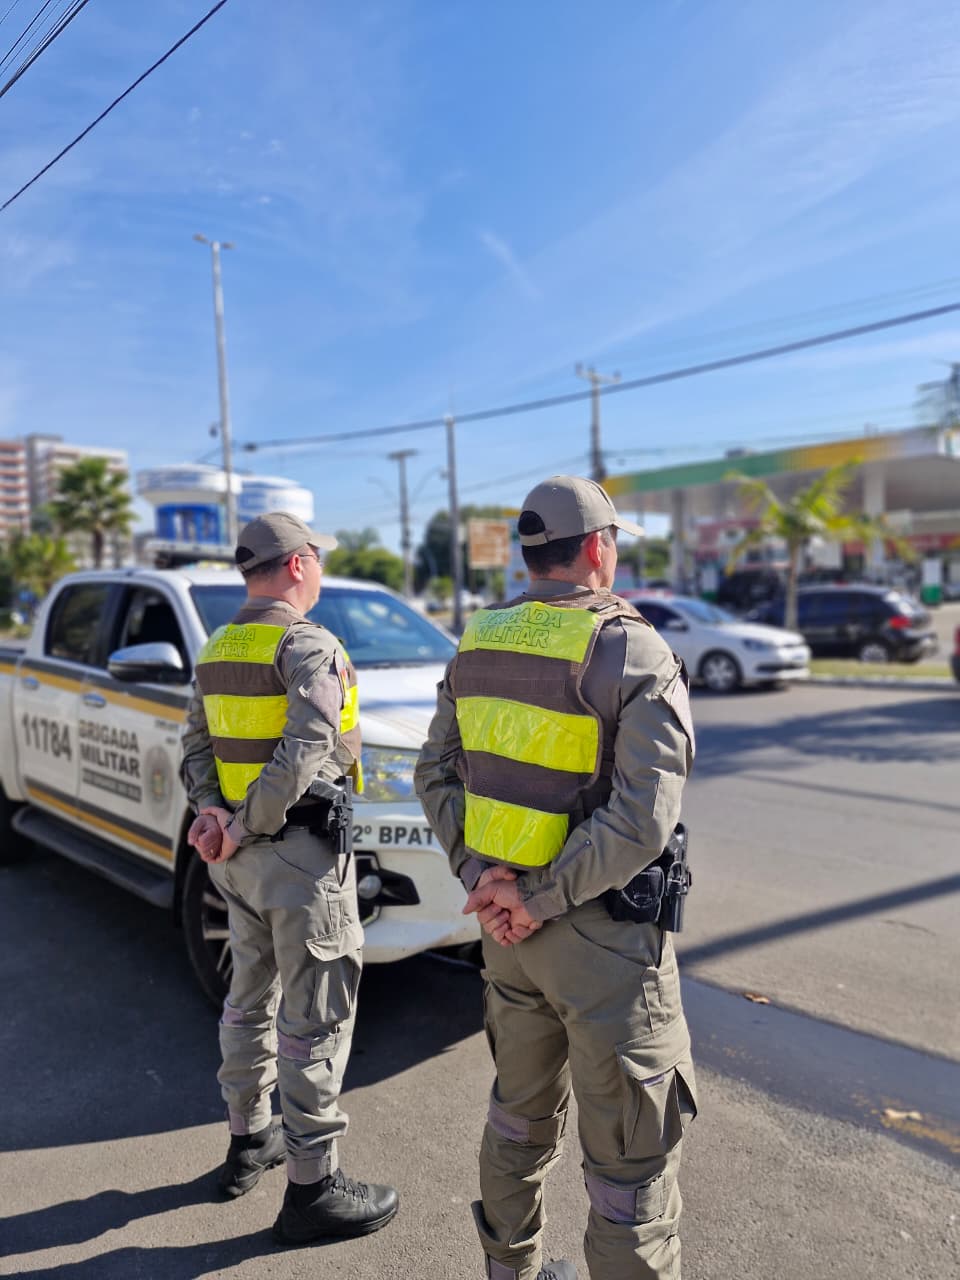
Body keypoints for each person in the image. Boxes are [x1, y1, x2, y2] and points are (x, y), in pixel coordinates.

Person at [415, 476, 697, 1280]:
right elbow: (642, 819)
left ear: (530, 555)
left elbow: (434, 774)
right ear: (599, 548)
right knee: (630, 1167)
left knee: (517, 1119)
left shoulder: (478, 641)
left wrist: (486, 881)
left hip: (507, 942)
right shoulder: (632, 648)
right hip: (602, 946)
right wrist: (532, 897)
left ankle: (510, 1268)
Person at [180, 510, 398, 1246]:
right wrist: (242, 823)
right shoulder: (307, 644)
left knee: (248, 1001)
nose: (320, 569)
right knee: (315, 1020)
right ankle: (313, 1190)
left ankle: (250, 1139)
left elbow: (196, 745)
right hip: (298, 859)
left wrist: (213, 817)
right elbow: (305, 749)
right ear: (298, 563)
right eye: (318, 558)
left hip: (238, 866)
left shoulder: (219, 646)